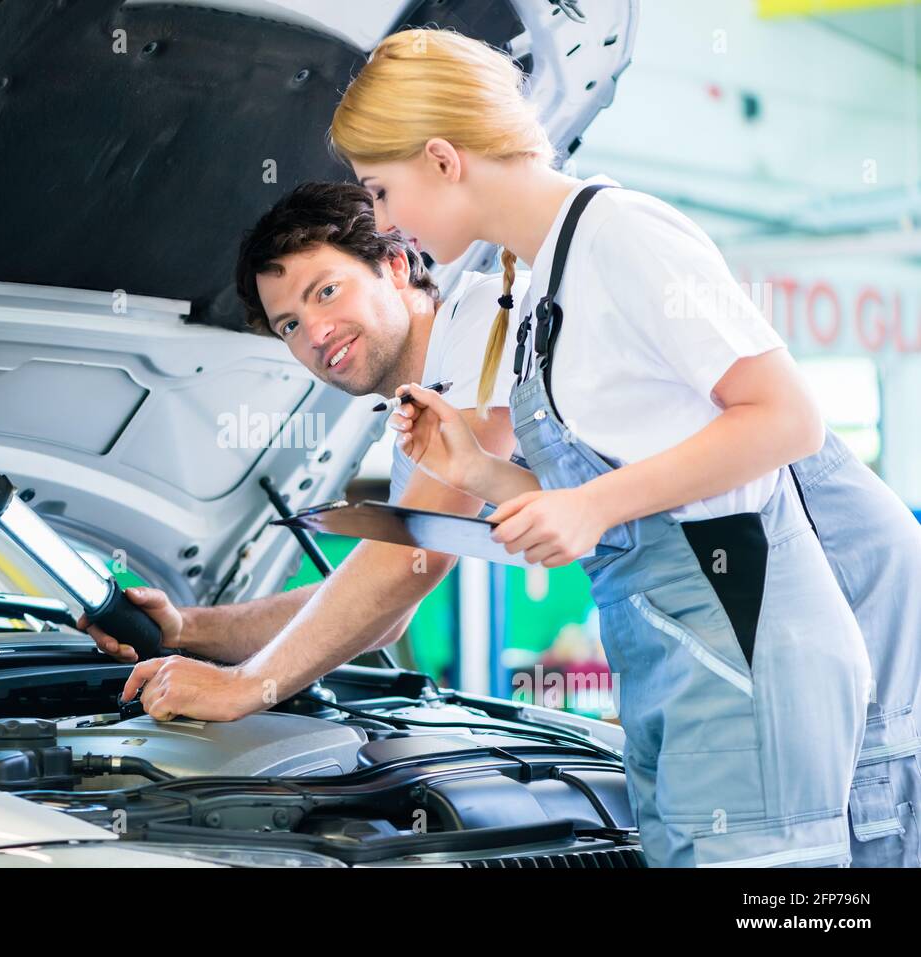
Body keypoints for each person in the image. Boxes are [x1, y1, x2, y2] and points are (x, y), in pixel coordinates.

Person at [331, 28, 875, 867]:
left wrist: (588, 503)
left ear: (441, 157)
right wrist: (476, 471)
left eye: (380, 189)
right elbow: (622, 495)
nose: (383, 223)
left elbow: (785, 417)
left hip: (744, 637)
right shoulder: (539, 276)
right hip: (667, 653)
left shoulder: (621, 233)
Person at [86, 181, 534, 710]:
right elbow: (382, 616)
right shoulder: (418, 426)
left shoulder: (489, 313)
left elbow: (417, 553)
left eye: (326, 291)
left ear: (393, 264)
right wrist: (187, 628)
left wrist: (245, 686)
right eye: (290, 324)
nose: (315, 334)